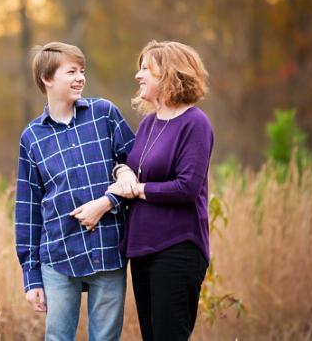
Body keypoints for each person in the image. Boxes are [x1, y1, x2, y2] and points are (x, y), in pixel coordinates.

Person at [14, 41, 137, 341]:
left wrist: (108, 202)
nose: (80, 77)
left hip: (108, 250)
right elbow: (28, 210)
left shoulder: (104, 115)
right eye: (71, 71)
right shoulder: (32, 137)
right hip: (58, 256)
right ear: (48, 79)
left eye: (82, 70)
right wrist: (31, 278)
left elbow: (137, 169)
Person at [106, 40, 213, 341]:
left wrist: (137, 190)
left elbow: (186, 187)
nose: (138, 76)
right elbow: (129, 164)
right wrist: (121, 170)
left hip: (177, 247)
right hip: (142, 248)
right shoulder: (148, 124)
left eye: (145, 69)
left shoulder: (195, 123)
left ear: (168, 74)